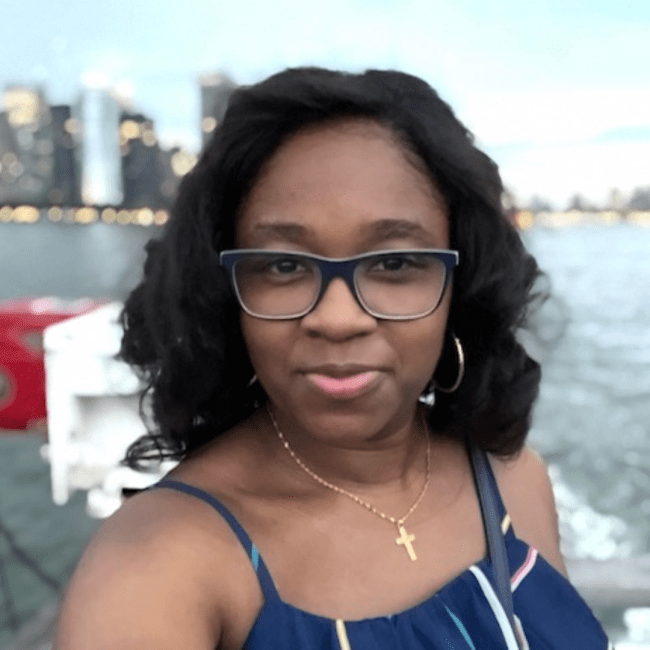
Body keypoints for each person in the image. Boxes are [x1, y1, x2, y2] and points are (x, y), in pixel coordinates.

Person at [55, 67, 610, 649]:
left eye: (395, 264)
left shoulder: (513, 480)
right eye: (285, 265)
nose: (338, 319)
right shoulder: (158, 568)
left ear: (460, 286)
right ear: (225, 296)